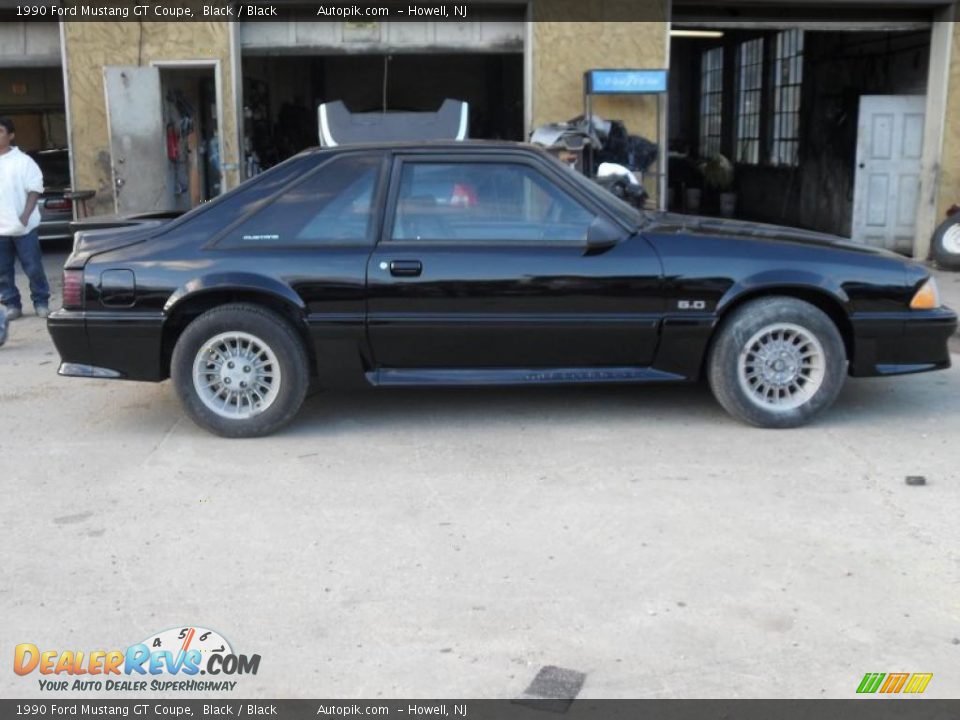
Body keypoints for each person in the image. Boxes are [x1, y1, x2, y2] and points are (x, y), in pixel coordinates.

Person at [0, 117, 51, 321]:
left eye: (0, 131)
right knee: (2, 271)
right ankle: (12, 304)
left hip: (24, 228)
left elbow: (34, 189)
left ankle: (41, 302)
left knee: (33, 268)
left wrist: (25, 216)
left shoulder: (23, 161)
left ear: (11, 135)